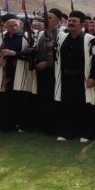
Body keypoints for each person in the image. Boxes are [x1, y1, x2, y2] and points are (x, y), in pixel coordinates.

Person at [54, 10, 95, 142]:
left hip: (83, 78)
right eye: (69, 20)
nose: (70, 23)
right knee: (67, 105)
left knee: (84, 105)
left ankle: (86, 133)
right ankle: (67, 132)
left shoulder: (91, 40)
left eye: (74, 21)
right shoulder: (62, 38)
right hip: (66, 77)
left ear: (82, 24)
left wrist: (92, 77)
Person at [0, 14, 37, 133]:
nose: (14, 28)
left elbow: (31, 55)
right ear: (6, 27)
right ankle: (7, 126)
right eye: (11, 26)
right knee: (6, 99)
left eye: (16, 25)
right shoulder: (2, 37)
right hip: (6, 71)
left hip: (21, 71)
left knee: (21, 99)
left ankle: (23, 125)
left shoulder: (26, 37)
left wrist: (14, 54)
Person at [34, 8, 62, 136]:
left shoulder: (62, 35)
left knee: (53, 100)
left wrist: (47, 63)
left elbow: (61, 55)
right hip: (41, 73)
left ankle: (53, 126)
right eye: (46, 17)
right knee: (43, 99)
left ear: (58, 21)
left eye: (50, 18)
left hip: (54, 73)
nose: (47, 20)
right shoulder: (41, 34)